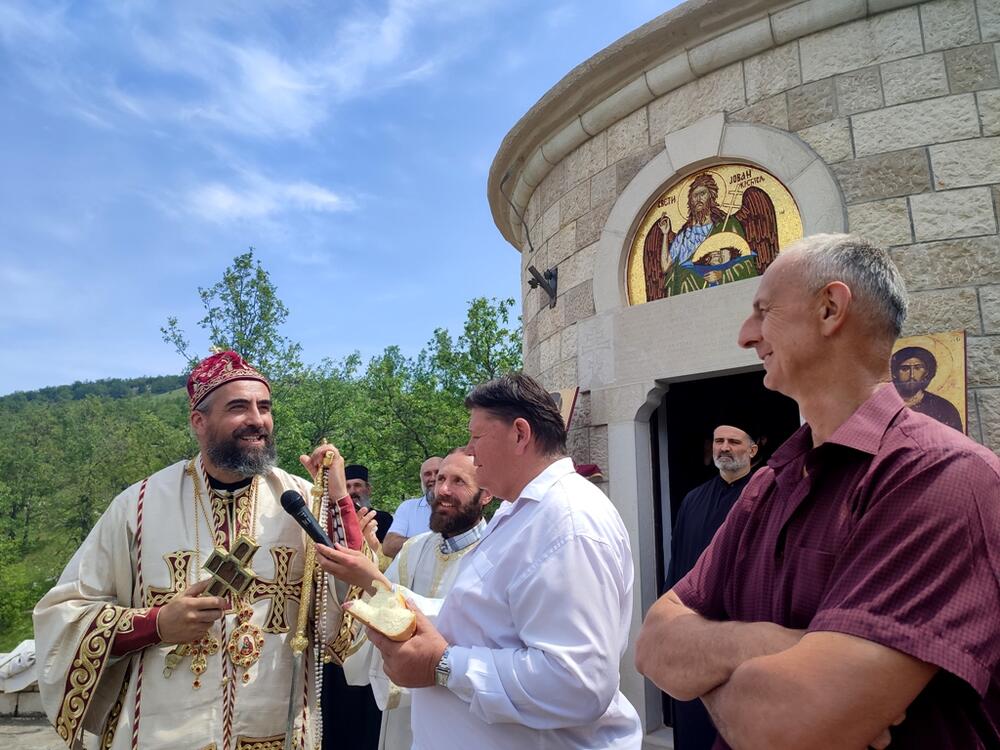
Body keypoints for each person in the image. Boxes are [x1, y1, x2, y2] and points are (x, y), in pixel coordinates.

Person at [635, 234, 1000, 749]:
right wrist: (773, 644)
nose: (746, 335)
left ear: (831, 309)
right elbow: (654, 645)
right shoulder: (768, 485)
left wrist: (711, 669)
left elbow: (786, 728)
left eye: (763, 311)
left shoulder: (944, 478)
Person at [32, 350, 363, 749]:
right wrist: (155, 624)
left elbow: (353, 607)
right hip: (164, 733)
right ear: (199, 421)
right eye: (238, 407)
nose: (257, 420)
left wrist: (340, 500)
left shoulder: (301, 500)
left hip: (276, 729)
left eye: (264, 407)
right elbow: (62, 616)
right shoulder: (138, 506)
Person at [317, 373, 643, 749]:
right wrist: (384, 588)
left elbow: (577, 683)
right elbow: (481, 621)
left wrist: (442, 665)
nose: (470, 451)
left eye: (477, 437)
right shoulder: (522, 513)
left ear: (520, 434)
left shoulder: (568, 520)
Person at [342, 449, 492, 750]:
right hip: (404, 712)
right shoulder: (415, 547)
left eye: (459, 481)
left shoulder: (495, 553)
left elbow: (458, 621)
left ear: (486, 494)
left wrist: (374, 580)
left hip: (462, 708)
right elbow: (380, 614)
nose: (442, 490)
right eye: (439, 480)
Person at [663, 423, 759, 750]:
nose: (725, 448)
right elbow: (676, 567)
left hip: (740, 640)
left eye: (734, 441)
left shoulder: (765, 497)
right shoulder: (692, 500)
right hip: (690, 637)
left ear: (752, 450)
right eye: (719, 441)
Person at [380, 456, 442, 559]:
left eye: (438, 472)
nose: (433, 478)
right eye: (427, 474)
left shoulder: (457, 507)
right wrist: (434, 544)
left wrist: (410, 545)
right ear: (421, 479)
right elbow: (389, 546)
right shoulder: (408, 508)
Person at [891, 345, 964, 432]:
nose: (912, 375)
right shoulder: (885, 405)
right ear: (894, 373)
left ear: (926, 373)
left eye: (918, 368)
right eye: (905, 369)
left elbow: (955, 441)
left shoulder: (943, 408)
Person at [345, 464, 393, 544]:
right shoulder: (338, 520)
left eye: (357, 485)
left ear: (368, 489)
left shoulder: (384, 519)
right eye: (348, 486)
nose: (352, 491)